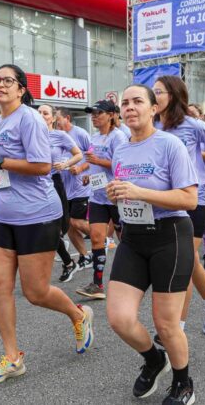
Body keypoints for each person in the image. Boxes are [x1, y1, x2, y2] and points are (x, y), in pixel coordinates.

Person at [0, 64, 93, 385]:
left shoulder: (30, 118)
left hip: (37, 214)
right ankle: (12, 358)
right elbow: (3, 164)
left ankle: (79, 315)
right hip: (4, 215)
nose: (0, 85)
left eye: (8, 81)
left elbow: (41, 166)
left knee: (36, 292)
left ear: (21, 89)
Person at [105, 84, 199, 405]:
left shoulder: (169, 144)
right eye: (125, 103)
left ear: (153, 108)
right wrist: (115, 195)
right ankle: (153, 359)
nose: (130, 107)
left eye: (137, 102)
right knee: (119, 318)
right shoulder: (120, 149)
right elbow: (125, 191)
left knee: (166, 323)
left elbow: (190, 198)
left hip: (169, 235)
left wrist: (140, 192)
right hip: (132, 235)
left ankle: (183, 382)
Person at [152, 75, 205, 340]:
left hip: (196, 201)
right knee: (190, 259)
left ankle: (177, 327)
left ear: (172, 95)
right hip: (167, 201)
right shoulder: (153, 125)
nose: (154, 96)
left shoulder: (192, 125)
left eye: (158, 91)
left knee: (183, 260)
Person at [76, 99, 128, 299]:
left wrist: (100, 162)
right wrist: (89, 174)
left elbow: (123, 166)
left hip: (116, 195)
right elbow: (92, 164)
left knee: (126, 240)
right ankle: (97, 284)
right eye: (93, 113)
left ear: (111, 115)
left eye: (99, 113)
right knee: (97, 238)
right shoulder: (94, 138)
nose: (95, 116)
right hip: (97, 195)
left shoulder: (119, 137)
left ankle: (131, 278)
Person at [39, 103, 84, 282]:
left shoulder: (60, 135)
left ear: (53, 118)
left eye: (45, 113)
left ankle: (67, 259)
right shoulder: (30, 135)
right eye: (39, 112)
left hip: (54, 182)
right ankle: (67, 262)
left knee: (59, 226)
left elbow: (79, 154)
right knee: (43, 227)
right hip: (34, 184)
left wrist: (65, 164)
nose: (41, 115)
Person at [54, 107, 93, 270]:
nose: (56, 122)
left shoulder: (80, 134)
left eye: (58, 118)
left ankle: (101, 239)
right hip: (64, 188)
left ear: (67, 118)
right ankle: (85, 256)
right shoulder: (54, 136)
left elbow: (94, 157)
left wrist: (81, 169)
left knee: (76, 221)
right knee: (69, 225)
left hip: (80, 186)